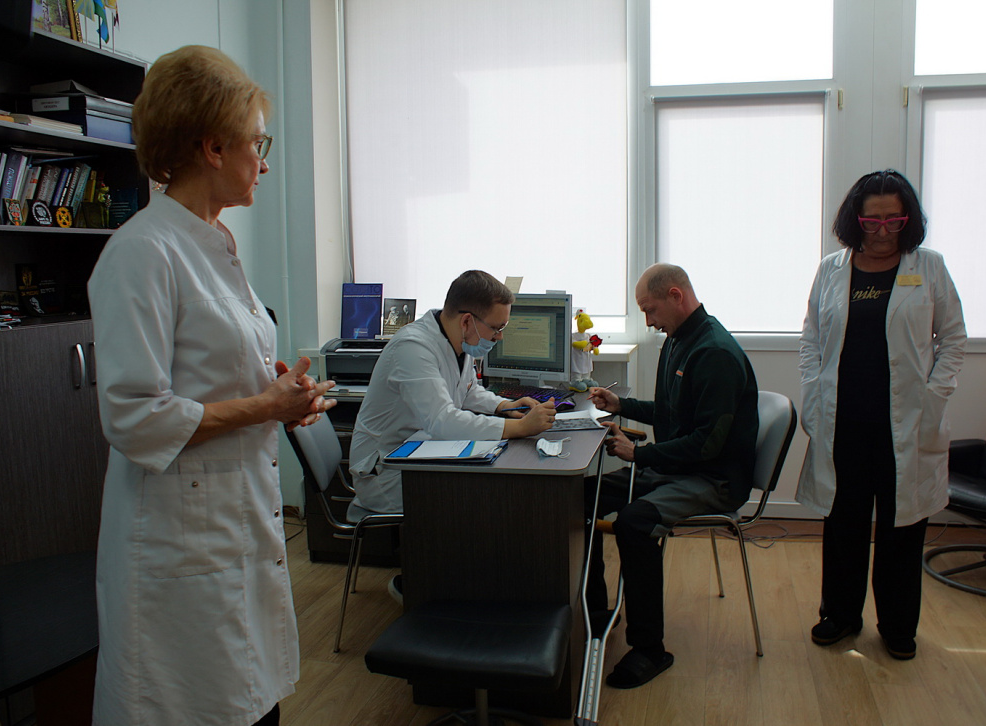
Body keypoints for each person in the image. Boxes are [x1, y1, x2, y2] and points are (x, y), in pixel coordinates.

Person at [87, 46, 336, 726]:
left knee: (252, 705)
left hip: (232, 528)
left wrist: (283, 399)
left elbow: (212, 372)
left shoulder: (213, 243)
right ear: (214, 147)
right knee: (201, 706)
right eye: (258, 143)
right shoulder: (142, 252)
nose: (264, 160)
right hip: (178, 542)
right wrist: (264, 405)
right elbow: (134, 417)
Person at [797, 170, 966, 660]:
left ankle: (897, 626)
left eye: (895, 219)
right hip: (845, 422)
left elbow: (953, 338)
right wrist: (812, 393)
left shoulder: (928, 267)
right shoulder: (832, 269)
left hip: (906, 425)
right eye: (873, 220)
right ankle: (840, 615)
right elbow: (811, 339)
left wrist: (934, 395)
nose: (884, 230)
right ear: (856, 219)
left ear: (909, 219)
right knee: (844, 523)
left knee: (902, 528)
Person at [586, 263, 758, 689]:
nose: (648, 321)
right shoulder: (679, 341)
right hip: (680, 467)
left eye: (650, 310)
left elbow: (707, 444)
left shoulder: (714, 353)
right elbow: (670, 413)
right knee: (582, 495)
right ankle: (596, 612)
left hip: (713, 479)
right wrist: (621, 406)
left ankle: (649, 649)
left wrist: (640, 455)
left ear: (676, 296)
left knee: (634, 523)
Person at [349, 270, 557, 518]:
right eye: (496, 328)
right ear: (467, 321)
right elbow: (442, 420)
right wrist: (521, 427)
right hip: (387, 473)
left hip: (420, 451)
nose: (500, 336)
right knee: (487, 495)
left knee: (494, 485)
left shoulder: (458, 340)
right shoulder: (413, 347)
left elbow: (467, 391)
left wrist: (504, 406)